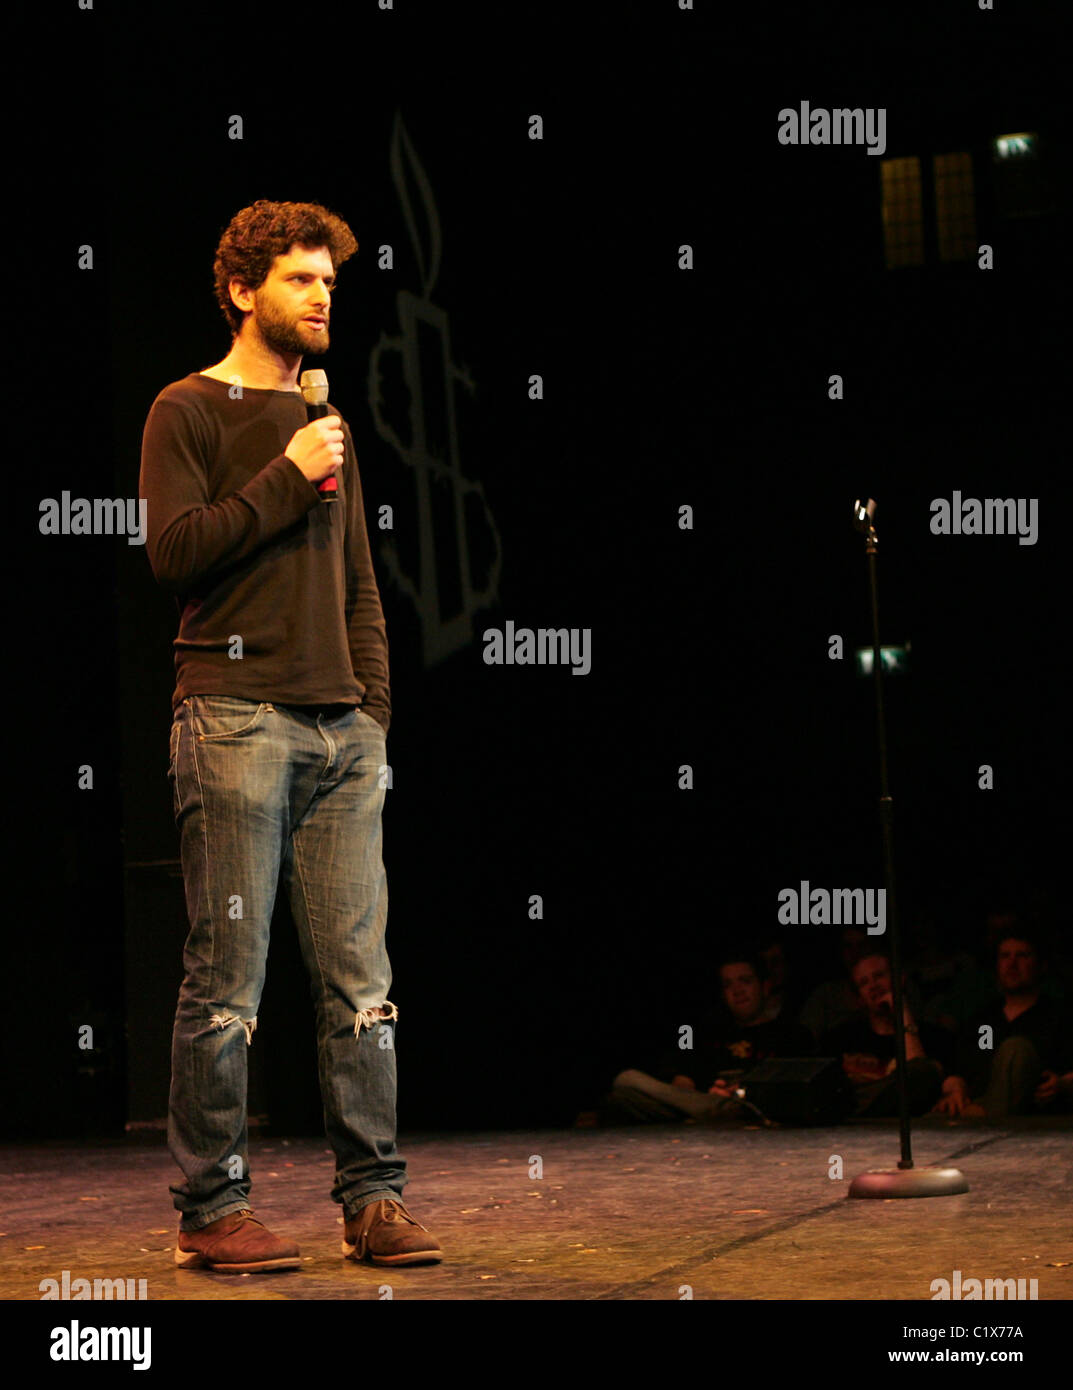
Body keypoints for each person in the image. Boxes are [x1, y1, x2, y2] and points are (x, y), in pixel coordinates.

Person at [139, 199, 441, 1272]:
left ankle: (373, 1197)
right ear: (241, 289)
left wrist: (373, 716)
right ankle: (212, 1207)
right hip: (232, 719)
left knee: (361, 984)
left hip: (339, 732)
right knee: (228, 980)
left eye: (328, 281)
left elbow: (359, 583)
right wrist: (286, 471)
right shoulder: (188, 408)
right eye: (301, 279)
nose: (322, 296)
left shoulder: (329, 423)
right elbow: (173, 553)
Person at [598, 950, 814, 1124]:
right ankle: (716, 1113)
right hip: (704, 1108)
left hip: (758, 1108)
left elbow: (799, 1092)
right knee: (625, 1086)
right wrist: (705, 1094)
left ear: (765, 987)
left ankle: (727, 1112)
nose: (737, 991)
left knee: (627, 1086)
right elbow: (682, 1086)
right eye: (728, 985)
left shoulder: (792, 1034)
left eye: (745, 981)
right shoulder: (707, 1033)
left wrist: (743, 1093)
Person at [932, 929, 1073, 1121]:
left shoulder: (1060, 1016)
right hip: (974, 1107)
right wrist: (955, 1089)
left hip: (1034, 1118)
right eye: (1005, 956)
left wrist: (1062, 1084)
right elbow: (960, 1069)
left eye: (1022, 956)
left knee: (1016, 1048)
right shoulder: (983, 1019)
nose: (1012, 964)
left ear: (1041, 965)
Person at [819, 951, 950, 1117]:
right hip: (852, 1121)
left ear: (900, 979)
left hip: (908, 1121)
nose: (873, 985)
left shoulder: (934, 1036)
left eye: (879, 976)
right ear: (859, 998)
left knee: (923, 1072)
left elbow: (918, 1082)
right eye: (864, 983)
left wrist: (902, 1011)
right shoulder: (840, 1038)